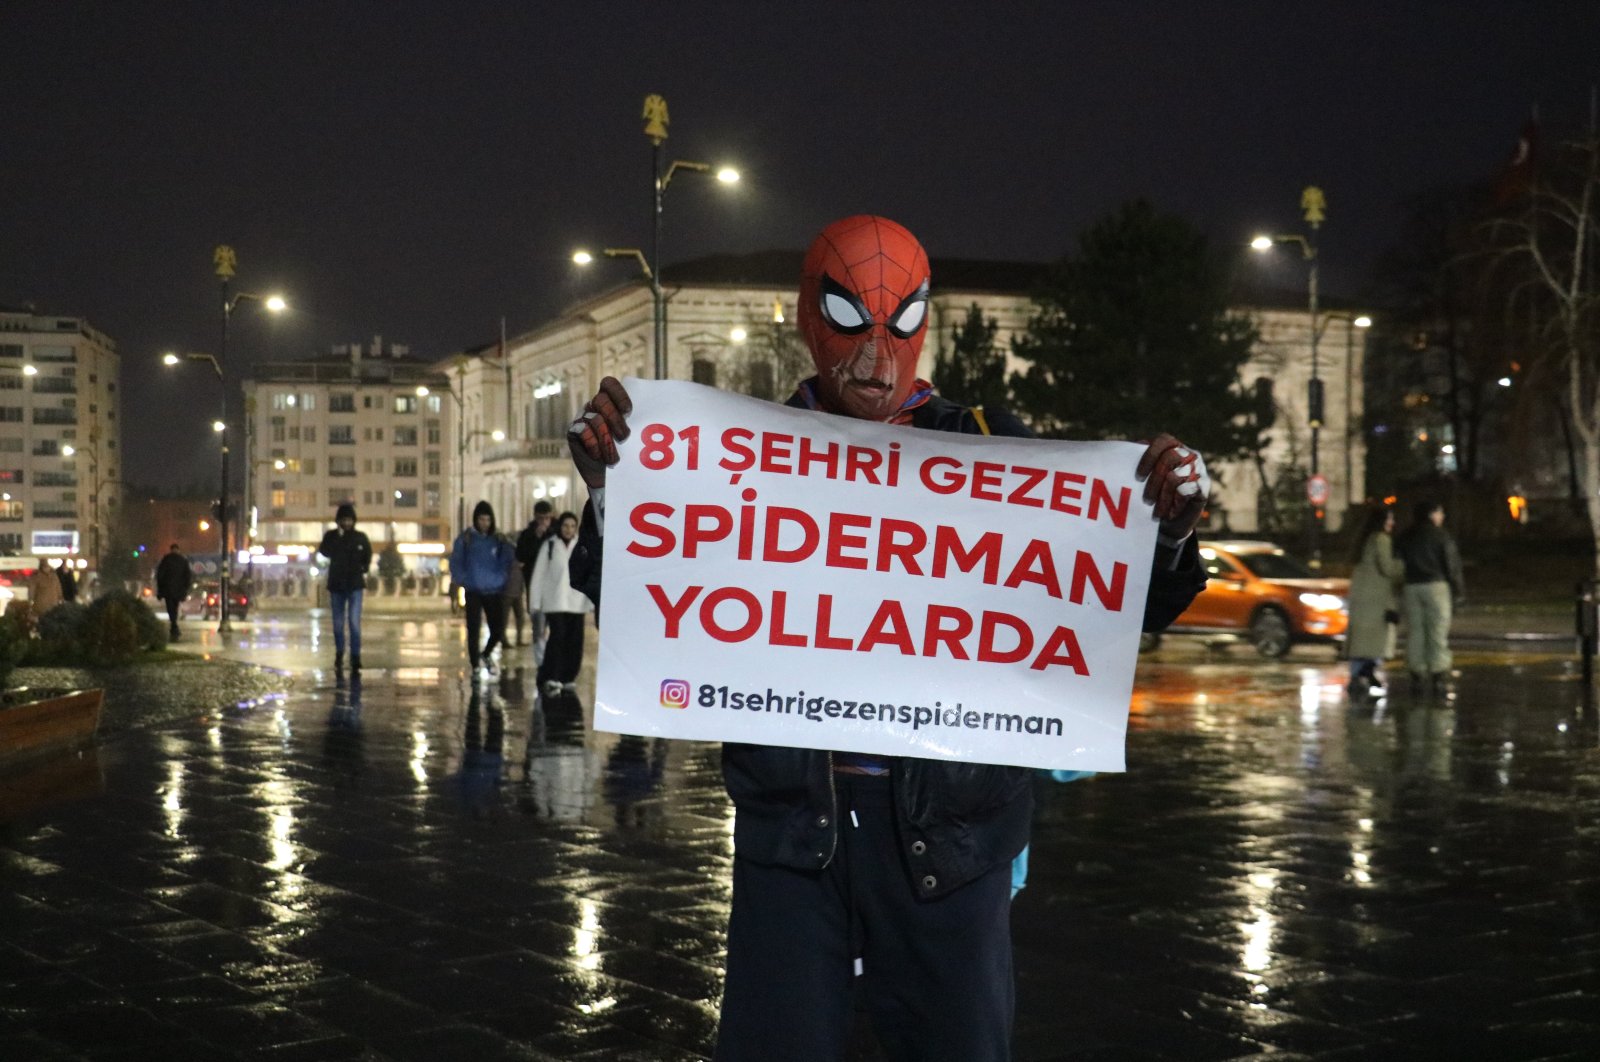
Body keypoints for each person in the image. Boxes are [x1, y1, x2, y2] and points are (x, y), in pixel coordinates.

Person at [567, 215, 1209, 1062]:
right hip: (797, 833)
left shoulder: (994, 450)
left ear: (925, 322)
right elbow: (645, 601)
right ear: (806, 319)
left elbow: (1121, 606)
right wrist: (620, 489)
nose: (875, 356)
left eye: (898, 323)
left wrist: (1167, 527)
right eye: (848, 319)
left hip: (952, 837)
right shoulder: (731, 454)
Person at [1395, 500, 1464, 697]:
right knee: (1437, 631)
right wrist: (1458, 592)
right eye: (1440, 513)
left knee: (1415, 631)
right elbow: (1451, 565)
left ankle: (1416, 674)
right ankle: (1437, 675)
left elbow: (1397, 562)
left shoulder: (1406, 536)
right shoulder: (1441, 536)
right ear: (1432, 514)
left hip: (1411, 587)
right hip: (1436, 586)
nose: (1442, 517)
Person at [529, 510, 591, 695]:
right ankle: (552, 675)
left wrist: (592, 602)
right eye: (565, 525)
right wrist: (535, 601)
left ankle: (568, 677)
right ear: (560, 526)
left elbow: (589, 576)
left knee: (575, 641)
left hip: (577, 603)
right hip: (554, 601)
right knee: (557, 638)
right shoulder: (549, 546)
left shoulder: (583, 547)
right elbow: (539, 575)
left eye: (572, 526)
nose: (568, 529)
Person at [450, 500, 514, 677]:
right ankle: (475, 665)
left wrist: (501, 578)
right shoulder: (466, 539)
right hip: (473, 591)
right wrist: (464, 579)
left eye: (487, 520)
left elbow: (507, 560)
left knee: (498, 628)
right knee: (473, 629)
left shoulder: (498, 540)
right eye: (481, 519)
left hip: (494, 590)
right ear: (475, 520)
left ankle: (485, 654)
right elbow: (456, 561)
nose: (484, 523)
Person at [1345, 505, 1402, 698]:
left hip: (1362, 597)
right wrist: (1405, 565)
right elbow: (1387, 568)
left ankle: (1359, 675)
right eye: (1390, 519)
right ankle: (1365, 673)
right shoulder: (1382, 539)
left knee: (1361, 641)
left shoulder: (1364, 540)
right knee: (1375, 641)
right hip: (1375, 599)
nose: (1392, 523)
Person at [318, 502, 373, 672]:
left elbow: (367, 554)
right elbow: (324, 551)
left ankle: (355, 656)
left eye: (349, 520)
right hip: (337, 585)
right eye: (344, 520)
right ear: (339, 521)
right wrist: (337, 538)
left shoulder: (360, 537)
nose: (347, 523)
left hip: (355, 585)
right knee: (338, 623)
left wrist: (364, 568)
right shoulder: (332, 536)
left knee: (354, 622)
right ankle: (340, 652)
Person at [515, 499, 556, 663]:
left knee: (554, 627)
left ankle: (551, 660)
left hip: (553, 588)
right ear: (535, 517)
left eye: (547, 518)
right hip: (534, 588)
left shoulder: (555, 535)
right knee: (538, 626)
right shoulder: (527, 535)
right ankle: (541, 662)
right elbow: (521, 557)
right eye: (541, 518)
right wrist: (536, 539)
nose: (544, 522)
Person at [154, 543, 193, 640]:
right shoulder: (183, 560)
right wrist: (185, 588)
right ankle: (174, 625)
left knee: (170, 607)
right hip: (178, 590)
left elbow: (160, 575)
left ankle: (173, 624)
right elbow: (187, 576)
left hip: (167, 589)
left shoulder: (166, 559)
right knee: (175, 607)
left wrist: (160, 589)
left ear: (171, 549)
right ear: (178, 550)